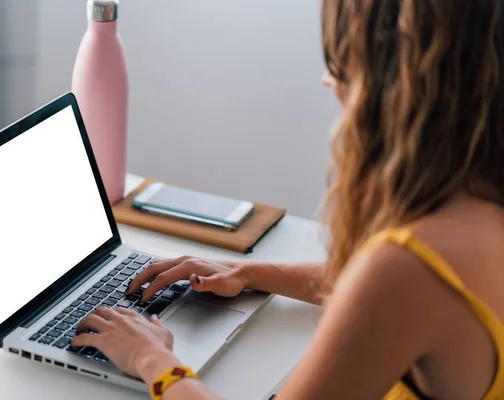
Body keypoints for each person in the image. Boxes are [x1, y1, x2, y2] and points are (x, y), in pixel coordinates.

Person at [71, 0, 504, 398]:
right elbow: (380, 290)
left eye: (340, 60)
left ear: (391, 80)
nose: (327, 80)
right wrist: (248, 272)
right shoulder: (479, 210)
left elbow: (390, 287)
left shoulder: (404, 271)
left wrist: (153, 361)